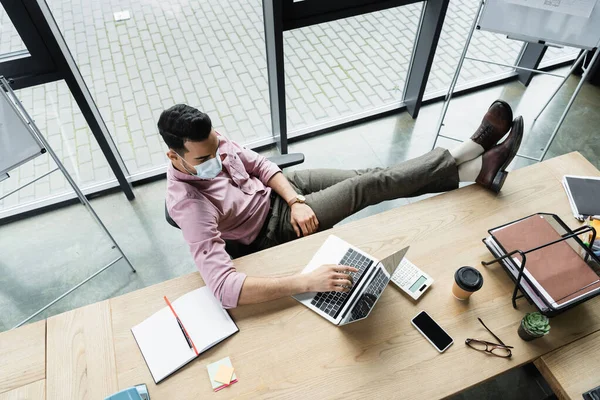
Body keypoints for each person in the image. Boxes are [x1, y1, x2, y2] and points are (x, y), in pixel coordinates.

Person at [159, 101, 523, 308]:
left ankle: (475, 167)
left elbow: (261, 165)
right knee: (369, 185)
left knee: (369, 173)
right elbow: (223, 287)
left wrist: (294, 198)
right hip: (272, 229)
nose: (218, 158)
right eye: (207, 158)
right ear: (175, 157)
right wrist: (304, 281)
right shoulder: (189, 204)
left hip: (285, 194)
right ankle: (471, 157)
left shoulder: (210, 141)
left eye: (216, 147)